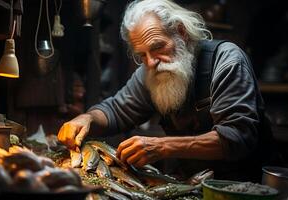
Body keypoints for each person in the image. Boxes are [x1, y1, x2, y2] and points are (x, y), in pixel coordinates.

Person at [58, 0, 275, 182]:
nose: (151, 62)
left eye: (157, 47)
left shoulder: (227, 61)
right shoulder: (151, 72)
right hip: (195, 184)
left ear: (181, 33)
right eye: (142, 55)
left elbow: (237, 137)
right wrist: (87, 118)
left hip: (246, 186)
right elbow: (115, 110)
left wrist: (162, 146)